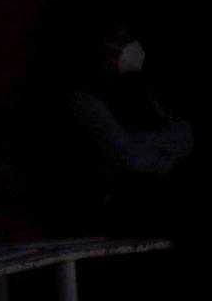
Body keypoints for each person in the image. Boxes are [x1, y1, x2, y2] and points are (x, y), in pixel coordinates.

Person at [56, 16, 196, 235]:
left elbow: (185, 137)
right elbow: (127, 154)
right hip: (123, 204)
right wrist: (164, 157)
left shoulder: (139, 88)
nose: (130, 45)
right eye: (121, 39)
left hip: (160, 192)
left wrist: (143, 139)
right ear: (103, 47)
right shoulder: (86, 97)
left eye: (129, 38)